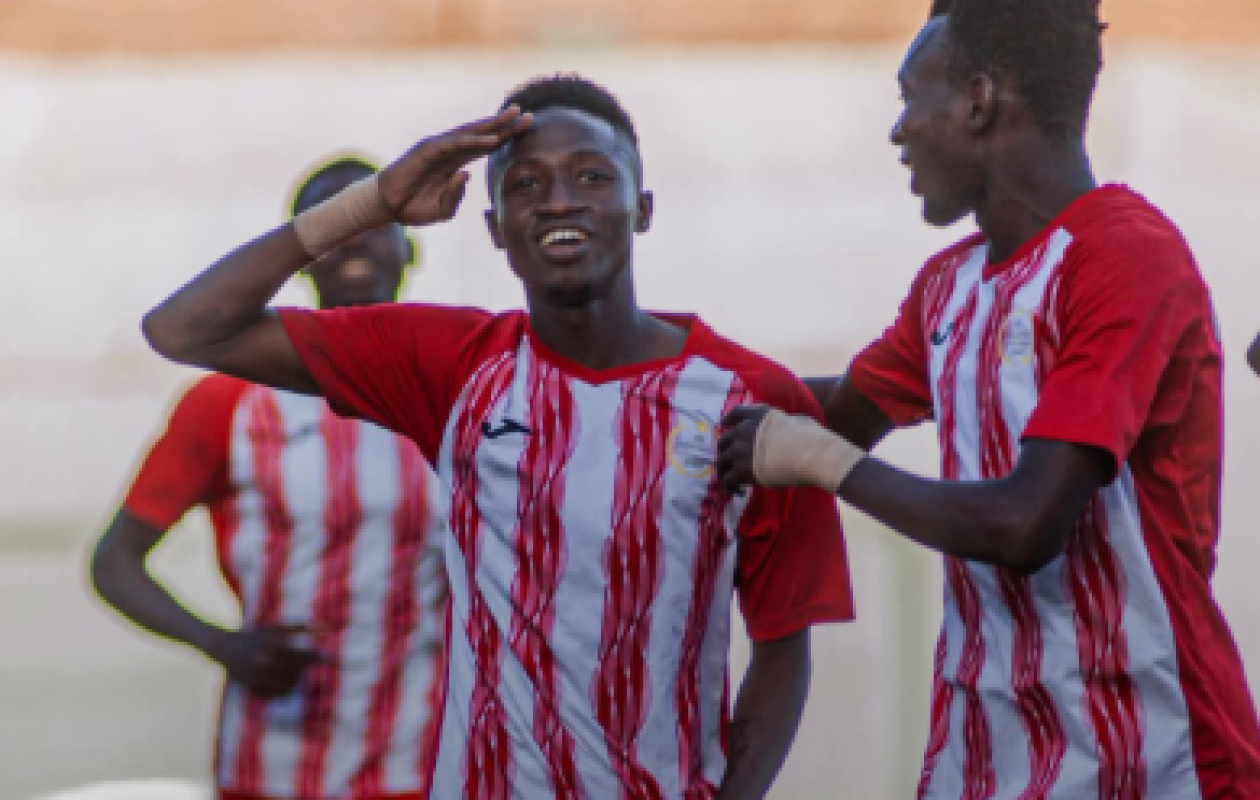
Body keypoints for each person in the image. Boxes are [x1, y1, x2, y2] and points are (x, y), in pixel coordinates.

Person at [138, 75, 855, 799]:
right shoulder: (453, 364)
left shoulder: (751, 397)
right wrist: (373, 203)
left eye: (592, 176)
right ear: (493, 228)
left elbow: (784, 643)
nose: (560, 200)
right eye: (525, 185)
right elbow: (184, 328)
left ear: (641, 209)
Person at [717, 1, 1260, 797]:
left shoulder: (1124, 256)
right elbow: (833, 413)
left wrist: (825, 465)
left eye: (911, 97)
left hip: (1155, 763)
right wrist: (665, 377)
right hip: (986, 761)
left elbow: (1026, 523)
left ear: (977, 99)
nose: (897, 131)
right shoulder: (950, 285)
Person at [92, 157, 449, 800]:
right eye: (334, 221)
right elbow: (114, 563)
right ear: (300, 257)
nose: (358, 236)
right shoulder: (227, 404)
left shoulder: (460, 390)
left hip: (425, 758)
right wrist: (222, 645)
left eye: (377, 217)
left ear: (411, 246)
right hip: (275, 761)